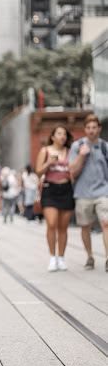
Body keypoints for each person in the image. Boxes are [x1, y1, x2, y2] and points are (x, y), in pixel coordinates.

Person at [68, 114, 108, 271]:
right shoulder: (77, 146)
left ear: (99, 128)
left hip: (102, 191)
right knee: (85, 226)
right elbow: (73, 171)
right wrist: (81, 155)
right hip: (83, 192)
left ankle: (107, 259)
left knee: (106, 223)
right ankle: (90, 257)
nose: (91, 131)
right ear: (85, 129)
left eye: (94, 128)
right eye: (88, 128)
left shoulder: (105, 146)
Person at [36, 124, 74, 272]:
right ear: (52, 136)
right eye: (59, 134)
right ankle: (52, 257)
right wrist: (48, 163)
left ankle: (61, 258)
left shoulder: (70, 151)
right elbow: (38, 172)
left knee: (63, 227)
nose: (62, 137)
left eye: (64, 134)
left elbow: (74, 171)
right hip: (50, 189)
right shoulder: (45, 151)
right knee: (51, 224)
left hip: (66, 189)